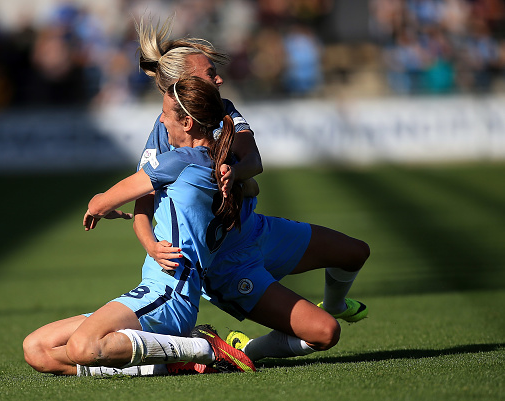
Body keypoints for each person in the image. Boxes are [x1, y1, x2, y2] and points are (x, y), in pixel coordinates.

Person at [130, 16, 371, 364]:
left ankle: (335, 302)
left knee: (355, 252)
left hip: (254, 231)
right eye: (210, 72)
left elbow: (253, 160)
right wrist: (150, 245)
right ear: (184, 83)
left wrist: (236, 172)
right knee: (325, 333)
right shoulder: (164, 133)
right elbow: (143, 202)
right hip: (226, 264)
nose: (219, 78)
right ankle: (241, 352)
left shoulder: (224, 110)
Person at [22, 77, 257, 377]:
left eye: (165, 114)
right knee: (38, 350)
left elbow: (99, 204)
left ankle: (203, 348)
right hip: (156, 291)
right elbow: (252, 188)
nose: (160, 121)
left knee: (83, 347)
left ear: (186, 123)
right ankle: (169, 362)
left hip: (170, 294)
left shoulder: (182, 159)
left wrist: (100, 203)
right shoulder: (219, 164)